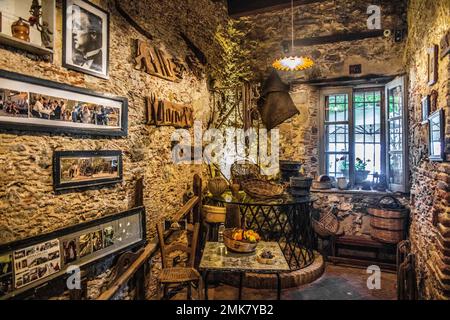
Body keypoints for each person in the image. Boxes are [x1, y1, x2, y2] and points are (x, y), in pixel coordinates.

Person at [72, 8, 103, 72]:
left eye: (79, 28)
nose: (73, 32)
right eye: (73, 28)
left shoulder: (101, 61)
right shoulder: (75, 60)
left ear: (93, 35)